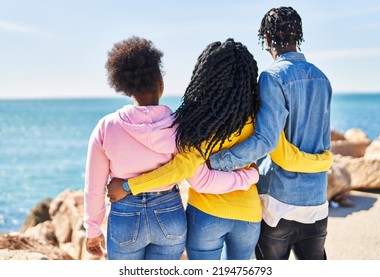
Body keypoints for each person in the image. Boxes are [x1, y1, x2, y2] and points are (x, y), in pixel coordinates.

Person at [107, 38, 333, 260]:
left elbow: (179, 169)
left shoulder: (197, 122)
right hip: (248, 216)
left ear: (204, 76)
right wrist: (324, 161)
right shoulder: (257, 118)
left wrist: (130, 185)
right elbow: (279, 150)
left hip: (206, 216)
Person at [84, 36, 263, 260]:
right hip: (169, 214)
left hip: (125, 215)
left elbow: (94, 187)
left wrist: (92, 231)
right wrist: (250, 176)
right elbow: (198, 178)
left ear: (125, 87)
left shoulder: (106, 127)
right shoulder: (179, 127)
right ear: (161, 83)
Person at [208, 7, 333, 260]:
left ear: (266, 38)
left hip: (279, 202)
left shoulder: (271, 77)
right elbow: (322, 141)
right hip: (317, 200)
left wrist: (216, 161)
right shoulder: (322, 78)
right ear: (298, 35)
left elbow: (265, 140)